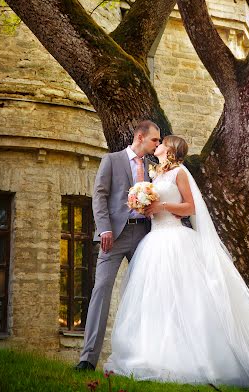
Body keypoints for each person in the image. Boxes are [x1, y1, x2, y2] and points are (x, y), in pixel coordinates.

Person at [104, 135, 249, 391]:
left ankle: (201, 358)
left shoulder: (179, 173)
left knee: (186, 299)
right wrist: (144, 205)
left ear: (170, 149)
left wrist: (162, 205)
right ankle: (156, 354)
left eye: (162, 142)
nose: (157, 145)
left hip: (175, 239)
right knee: (157, 300)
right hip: (155, 241)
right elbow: (153, 206)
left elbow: (190, 207)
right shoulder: (155, 176)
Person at [75, 120, 161, 371]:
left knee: (148, 293)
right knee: (101, 290)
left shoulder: (153, 166)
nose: (157, 145)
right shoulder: (111, 160)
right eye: (155, 140)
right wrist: (105, 228)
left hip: (145, 235)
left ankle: (146, 357)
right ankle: (87, 359)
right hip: (113, 237)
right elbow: (99, 195)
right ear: (140, 137)